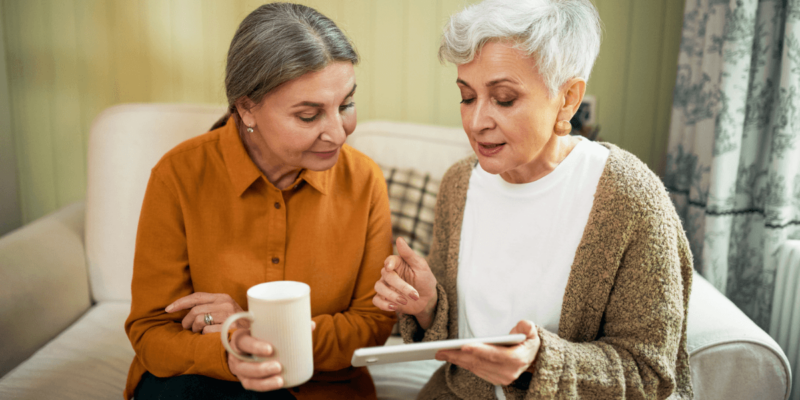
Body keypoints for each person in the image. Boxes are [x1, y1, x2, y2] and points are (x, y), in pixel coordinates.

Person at [372, 0, 693, 398]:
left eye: (504, 98)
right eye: (467, 97)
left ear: (569, 99)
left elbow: (650, 372)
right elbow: (455, 335)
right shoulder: (459, 183)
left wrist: (539, 364)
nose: (476, 122)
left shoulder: (629, 198)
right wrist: (428, 305)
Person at [124, 3, 396, 399]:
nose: (338, 133)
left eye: (346, 105)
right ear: (246, 106)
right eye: (308, 115)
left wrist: (261, 335)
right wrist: (231, 351)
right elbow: (150, 330)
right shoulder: (178, 176)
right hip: (206, 383)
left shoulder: (364, 181)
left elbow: (373, 324)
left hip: (323, 389)